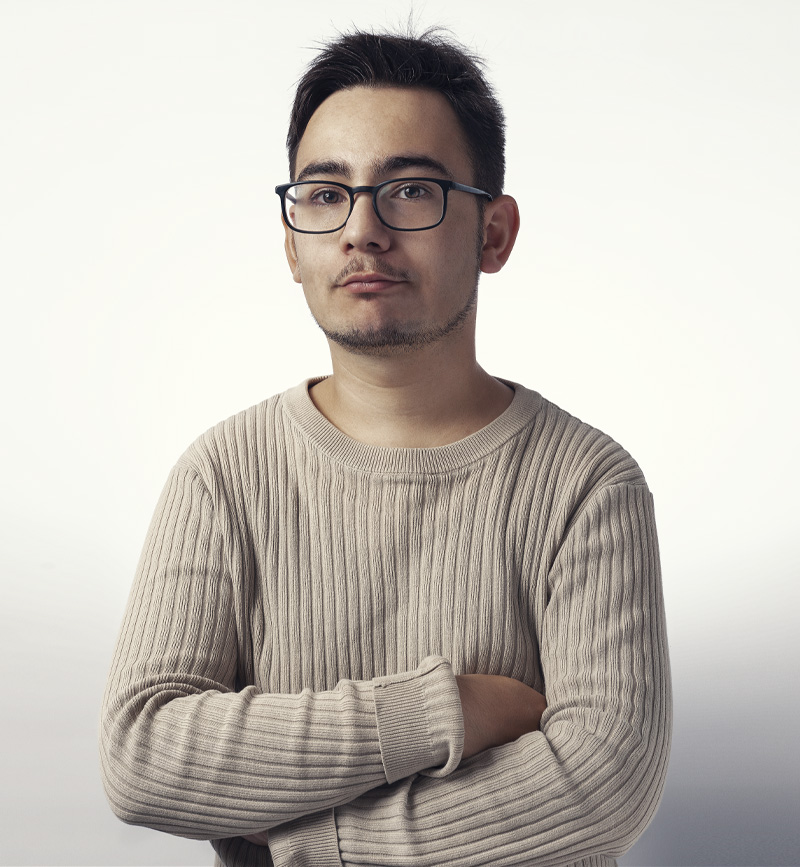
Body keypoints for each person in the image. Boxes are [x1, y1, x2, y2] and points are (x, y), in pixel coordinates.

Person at [100, 27, 672, 867]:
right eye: (326, 194)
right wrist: (445, 712)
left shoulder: (588, 484)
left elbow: (601, 787)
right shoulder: (222, 475)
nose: (362, 230)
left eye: (410, 190)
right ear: (292, 242)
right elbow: (143, 756)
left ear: (494, 233)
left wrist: (310, 840)